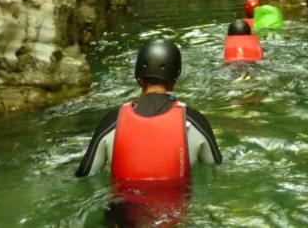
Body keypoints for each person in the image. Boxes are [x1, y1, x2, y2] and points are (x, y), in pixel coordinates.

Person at [75, 39, 222, 183]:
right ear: (175, 78)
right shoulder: (194, 120)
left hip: (121, 206)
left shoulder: (112, 121)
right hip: (176, 206)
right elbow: (216, 167)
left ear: (138, 78)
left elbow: (84, 175)